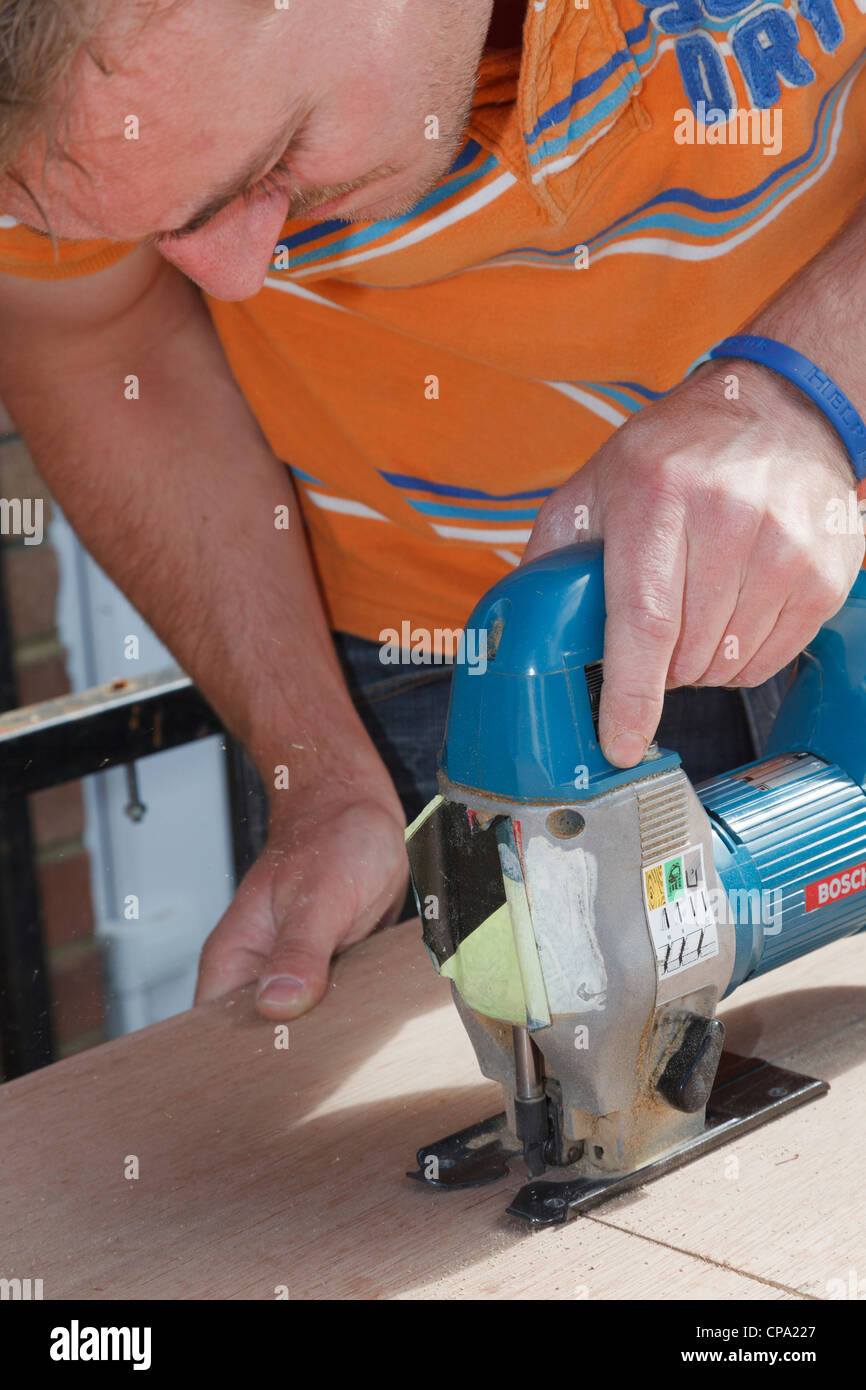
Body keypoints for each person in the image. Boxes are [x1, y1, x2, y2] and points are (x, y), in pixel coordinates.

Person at [0, 0, 863, 1022]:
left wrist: (806, 389)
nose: (235, 278)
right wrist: (317, 770)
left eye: (273, 161)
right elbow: (100, 341)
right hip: (425, 646)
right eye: (159, 227)